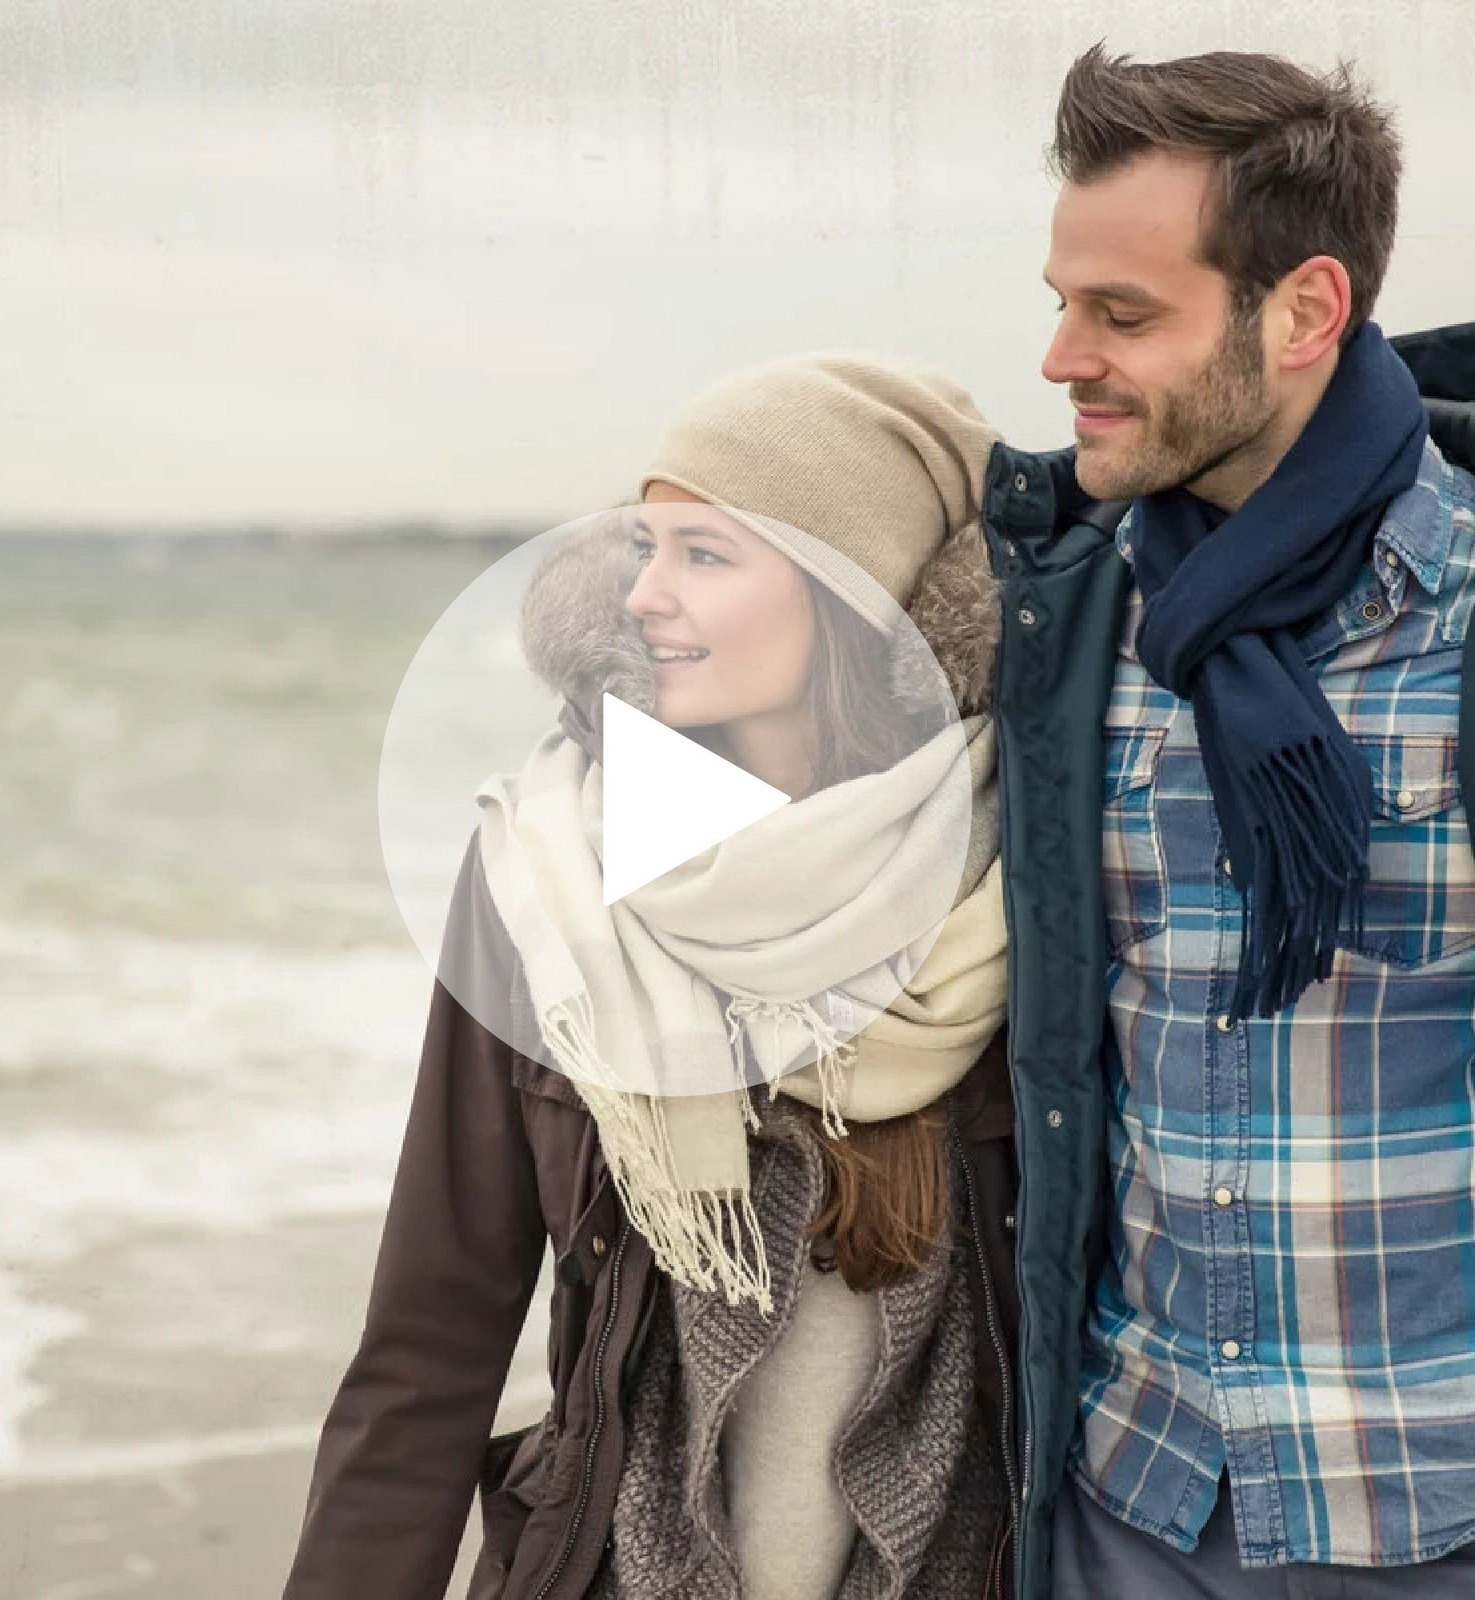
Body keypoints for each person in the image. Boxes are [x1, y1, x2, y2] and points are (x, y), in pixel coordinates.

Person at [282, 354, 1024, 1600]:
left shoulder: (1019, 883)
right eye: (646, 548)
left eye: (706, 556)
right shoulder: (545, 877)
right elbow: (429, 1344)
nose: (644, 596)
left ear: (856, 595)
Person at [982, 44, 1475, 1600]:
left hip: (1430, 1510)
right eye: (1064, 300)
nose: (1064, 358)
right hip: (1131, 1498)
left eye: (1124, 315)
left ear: (1306, 312)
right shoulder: (1070, 613)